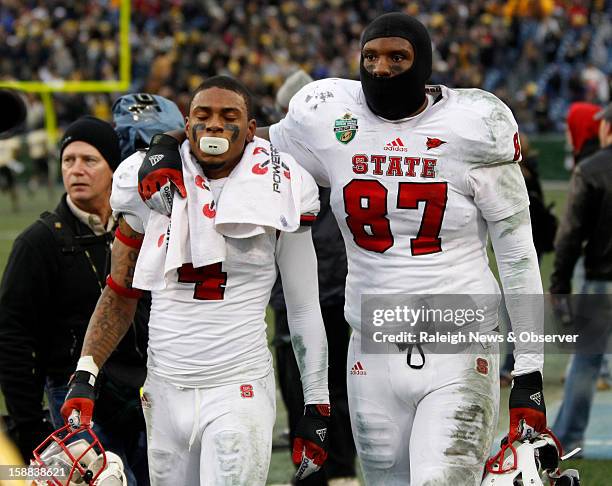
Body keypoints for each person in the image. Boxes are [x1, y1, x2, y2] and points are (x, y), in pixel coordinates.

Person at [138, 14, 547, 485]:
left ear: (424, 63)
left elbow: (517, 255)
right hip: (368, 345)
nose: (382, 69)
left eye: (398, 57)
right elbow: (242, 139)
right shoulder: (328, 113)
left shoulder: (476, 124)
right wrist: (165, 144)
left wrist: (530, 370)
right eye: (371, 57)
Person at [61, 76, 330, 486]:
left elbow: (303, 305)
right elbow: (120, 289)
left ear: (251, 128)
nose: (215, 125)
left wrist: (316, 403)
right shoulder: (145, 183)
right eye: (203, 115)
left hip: (237, 385)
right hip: (164, 389)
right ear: (187, 126)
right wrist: (86, 372)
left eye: (229, 115)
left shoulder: (282, 184)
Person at [0, 116, 150, 486]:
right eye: (69, 161)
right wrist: (29, 425)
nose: (76, 170)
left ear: (114, 168)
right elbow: (13, 339)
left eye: (89, 160)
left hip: (147, 393)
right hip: (73, 399)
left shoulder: (143, 228)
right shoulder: (37, 243)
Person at [271, 71, 358, 486]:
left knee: (317, 382)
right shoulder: (338, 141)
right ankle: (329, 466)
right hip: (326, 283)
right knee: (322, 383)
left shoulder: (290, 152)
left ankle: (330, 467)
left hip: (321, 285)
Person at [550, 102, 612, 453]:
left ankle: (570, 438)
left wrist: (559, 284)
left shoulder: (591, 169)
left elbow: (570, 235)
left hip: (601, 279)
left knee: (586, 364)